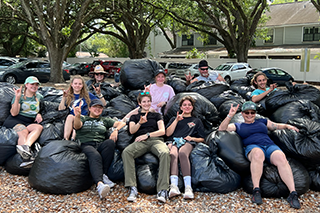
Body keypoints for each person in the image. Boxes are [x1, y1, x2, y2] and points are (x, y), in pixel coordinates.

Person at [218, 101, 301, 209]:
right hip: (252, 147)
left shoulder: (262, 121)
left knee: (281, 157)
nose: (249, 115)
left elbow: (275, 126)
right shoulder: (238, 125)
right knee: (258, 154)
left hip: (269, 146)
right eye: (247, 112)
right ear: (242, 114)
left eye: (252, 112)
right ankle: (256, 190)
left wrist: (287, 126)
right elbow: (221, 129)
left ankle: (293, 193)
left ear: (255, 113)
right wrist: (230, 115)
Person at [122, 92, 170, 203]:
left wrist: (148, 135)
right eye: (144, 101)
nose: (147, 103)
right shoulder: (134, 117)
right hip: (141, 142)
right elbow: (131, 130)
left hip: (155, 140)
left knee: (165, 153)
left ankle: (163, 189)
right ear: (139, 103)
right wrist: (139, 122)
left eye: (148, 101)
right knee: (126, 152)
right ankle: (132, 187)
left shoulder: (156, 115)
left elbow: (162, 131)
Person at [73, 99, 126, 199]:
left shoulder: (104, 120)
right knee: (95, 155)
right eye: (95, 107)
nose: (97, 109)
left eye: (100, 107)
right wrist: (77, 115)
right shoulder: (84, 118)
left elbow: (121, 123)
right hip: (86, 144)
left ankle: (103, 175)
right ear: (89, 108)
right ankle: (99, 184)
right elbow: (77, 126)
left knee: (110, 143)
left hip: (100, 144)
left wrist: (116, 131)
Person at [166, 96, 205, 199]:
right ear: (180, 107)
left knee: (183, 153)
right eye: (184, 105)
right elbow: (167, 133)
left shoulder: (196, 121)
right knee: (173, 154)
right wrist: (176, 121)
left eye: (189, 105)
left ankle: (188, 187)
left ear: (192, 107)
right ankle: (174, 186)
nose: (187, 107)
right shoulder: (174, 119)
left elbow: (202, 139)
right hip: (173, 141)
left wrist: (192, 138)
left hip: (187, 142)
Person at [3, 76, 43, 168]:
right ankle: (26, 158)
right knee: (23, 130)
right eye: (32, 84)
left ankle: (26, 148)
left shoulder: (39, 97)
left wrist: (39, 114)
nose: (34, 86)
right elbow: (14, 113)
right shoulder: (19, 96)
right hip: (15, 120)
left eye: (36, 84)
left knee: (39, 127)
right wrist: (17, 98)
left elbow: (40, 109)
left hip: (29, 121)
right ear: (26, 85)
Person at [58, 75, 106, 141]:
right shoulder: (69, 96)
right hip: (72, 118)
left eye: (80, 84)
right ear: (72, 84)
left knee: (78, 118)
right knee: (70, 117)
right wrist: (64, 98)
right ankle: (66, 139)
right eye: (75, 83)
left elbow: (103, 104)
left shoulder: (88, 95)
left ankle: (73, 139)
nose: (77, 86)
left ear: (83, 85)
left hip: (84, 118)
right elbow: (60, 109)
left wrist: (99, 94)